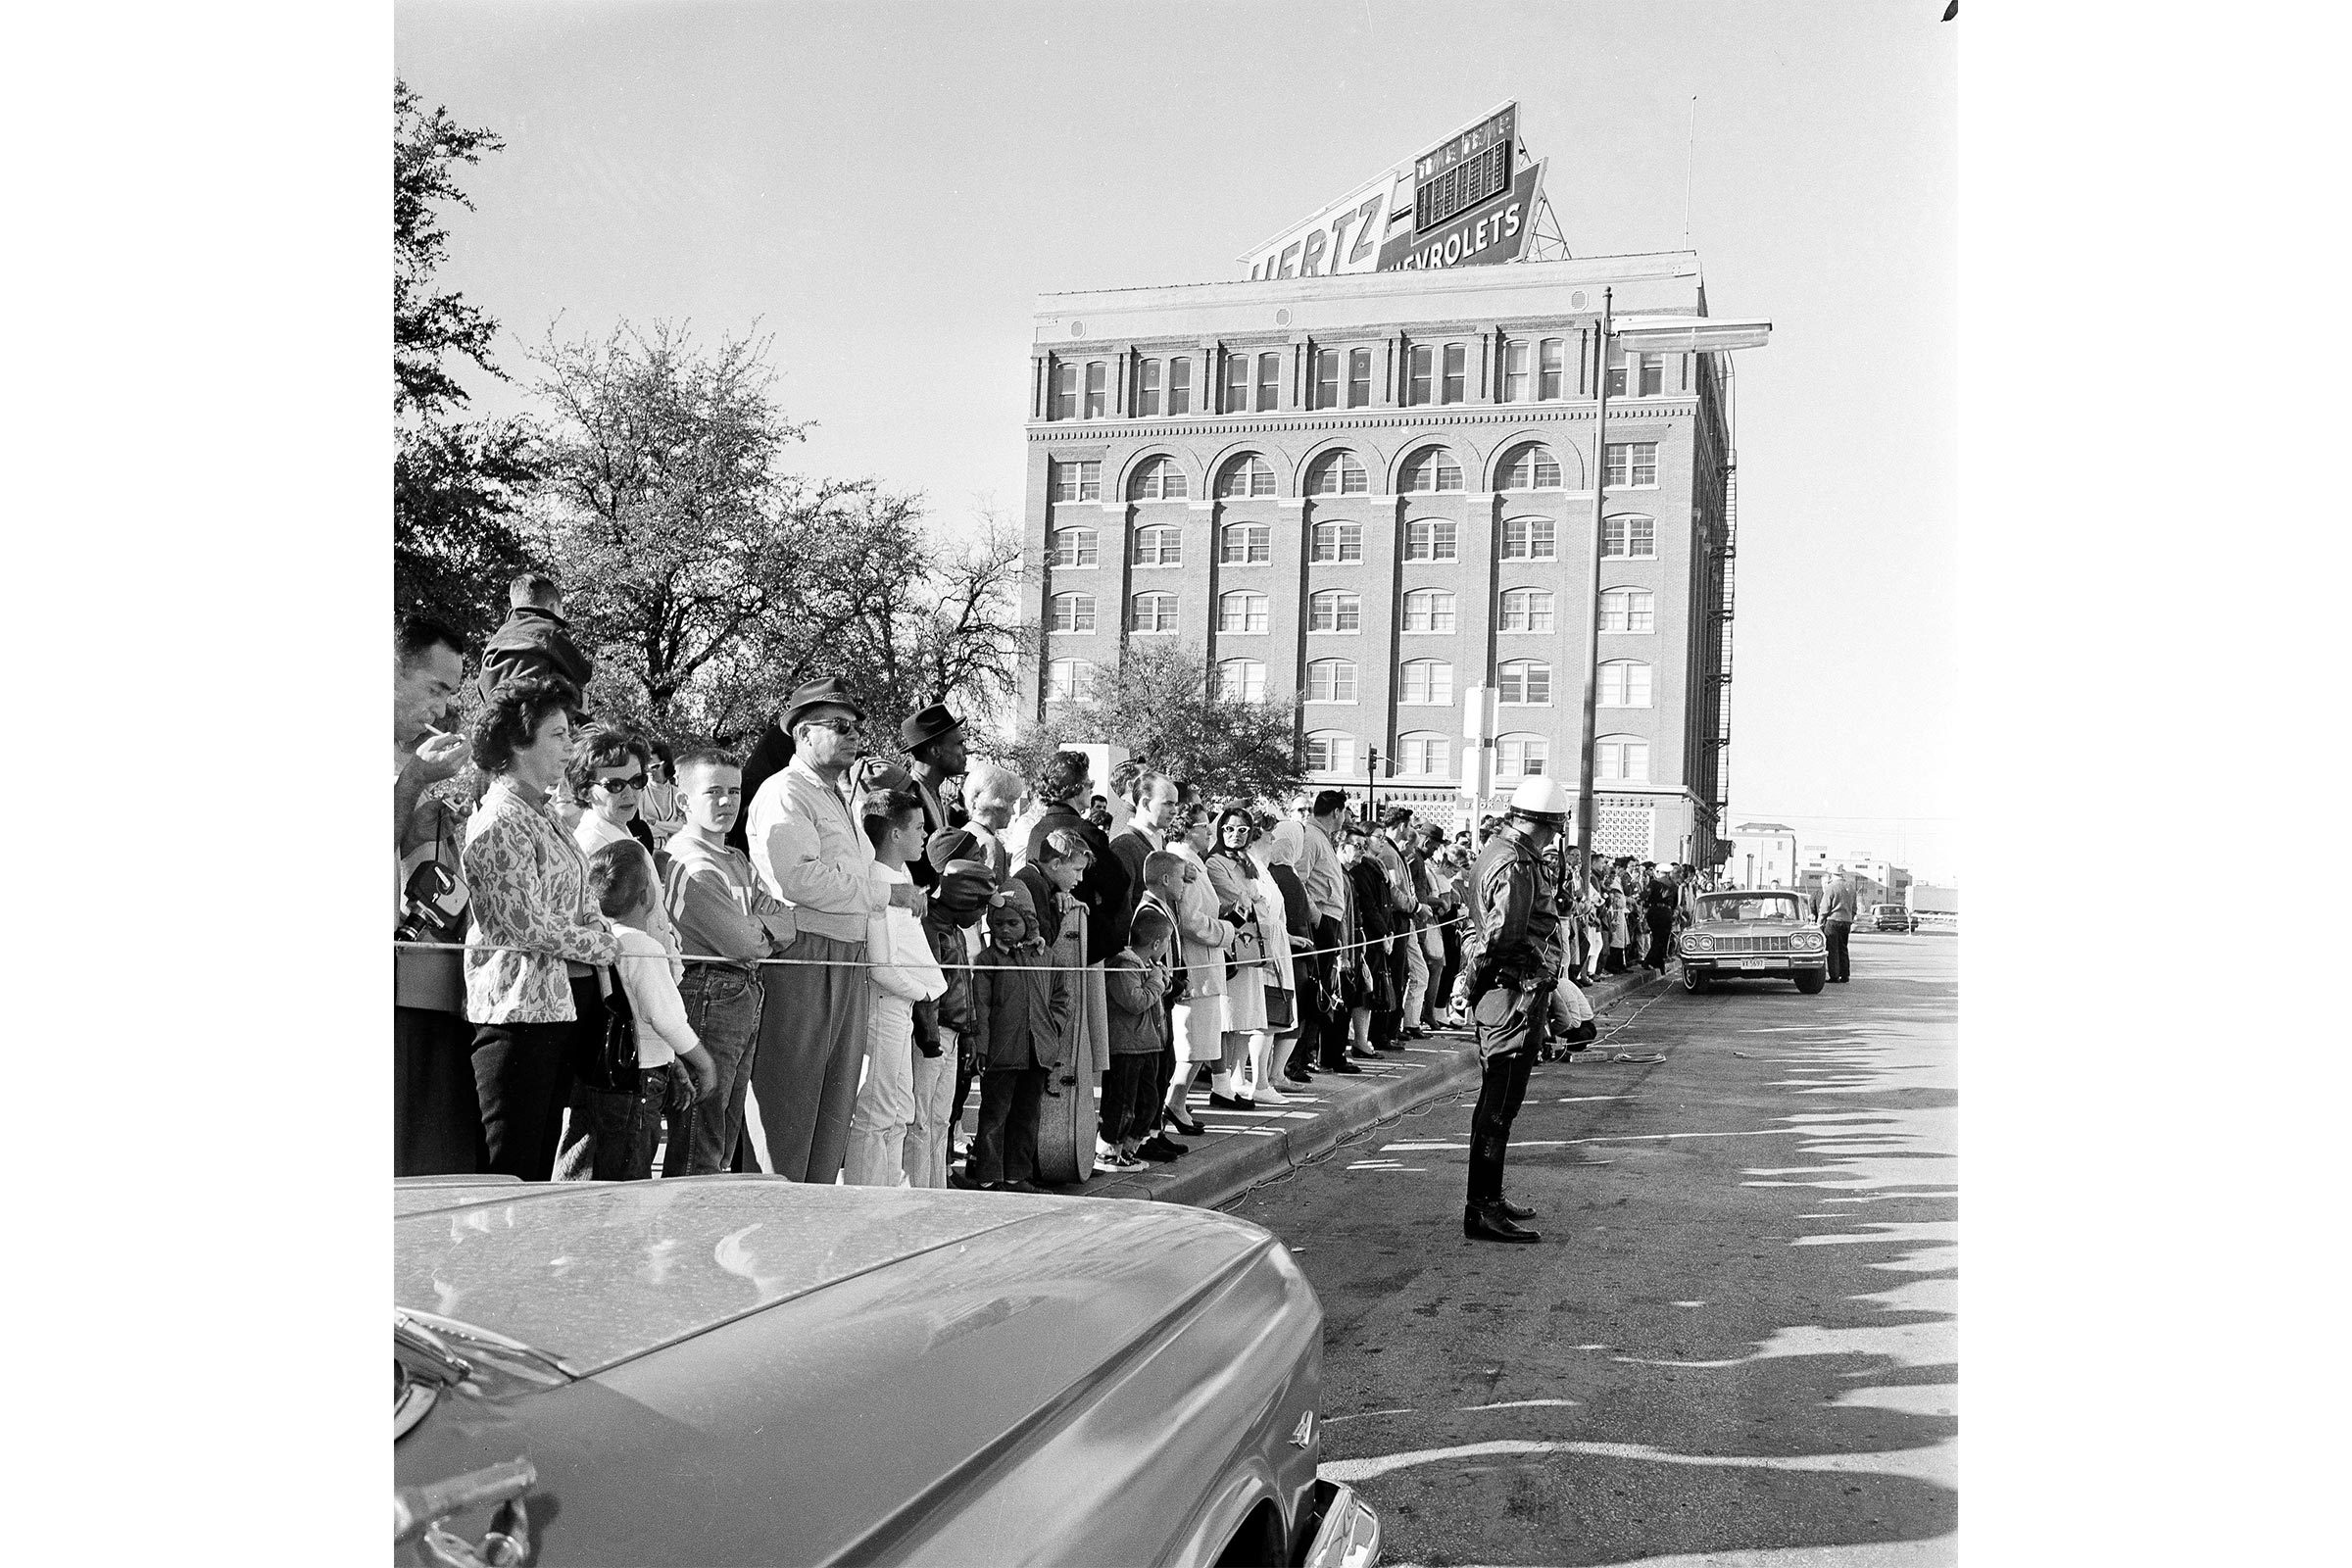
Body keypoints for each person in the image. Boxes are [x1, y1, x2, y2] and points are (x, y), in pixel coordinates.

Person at [743, 676, 914, 1183]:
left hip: (845, 953)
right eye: (839, 726)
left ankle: (811, 1220)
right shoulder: (785, 792)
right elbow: (798, 879)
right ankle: (772, 1222)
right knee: (789, 1102)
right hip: (804, 954)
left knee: (833, 1104)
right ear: (802, 735)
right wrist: (885, 894)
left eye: (856, 725)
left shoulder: (833, 795)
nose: (853, 733)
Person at [460, 674, 619, 1181]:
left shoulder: (544, 812)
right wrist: (599, 944)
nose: (569, 747)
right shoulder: (500, 819)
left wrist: (595, 934)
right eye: (557, 735)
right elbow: (521, 923)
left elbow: (578, 894)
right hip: (515, 1019)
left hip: (557, 1014)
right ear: (517, 743)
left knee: (536, 1172)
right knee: (510, 1172)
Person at [662, 748, 789, 1175]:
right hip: (708, 992)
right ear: (684, 801)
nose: (727, 801)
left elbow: (786, 919)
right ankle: (687, 1229)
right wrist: (762, 931)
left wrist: (760, 931)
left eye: (734, 791)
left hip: (742, 992)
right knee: (702, 1130)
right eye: (712, 791)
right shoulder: (688, 861)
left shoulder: (734, 859)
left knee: (725, 1129)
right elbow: (741, 941)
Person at [1460, 774, 1576, 1244]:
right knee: (1500, 1103)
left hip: (1506, 992)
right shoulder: (1517, 865)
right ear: (1548, 824)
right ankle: (1482, 1208)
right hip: (1513, 994)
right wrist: (1528, 971)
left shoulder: (1500, 852)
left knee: (1497, 1100)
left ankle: (1487, 1197)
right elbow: (1506, 938)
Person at [394, 616, 485, 1176]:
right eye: (435, 688)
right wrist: (412, 786)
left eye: (452, 692)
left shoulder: (408, 755)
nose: (444, 708)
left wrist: (431, 815)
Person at [581, 841, 720, 1181]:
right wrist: (704, 1063)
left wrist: (674, 1066)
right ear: (647, 897)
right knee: (632, 1171)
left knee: (602, 1167)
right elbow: (664, 1018)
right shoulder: (644, 947)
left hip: (606, 1076)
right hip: (639, 1082)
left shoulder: (601, 940)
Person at [846, 789, 949, 1186]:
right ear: (893, 834)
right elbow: (881, 966)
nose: (925, 835)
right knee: (877, 1107)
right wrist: (923, 991)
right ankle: (866, 1193)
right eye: (919, 827)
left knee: (901, 1109)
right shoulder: (877, 880)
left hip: (902, 1008)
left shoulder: (901, 877)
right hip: (886, 1004)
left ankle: (888, 1191)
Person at [967, 881, 1071, 1192]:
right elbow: (981, 1006)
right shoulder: (988, 960)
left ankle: (1016, 1174)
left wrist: (1053, 1027)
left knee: (1026, 1116)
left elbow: (1061, 998)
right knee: (995, 1115)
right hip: (1001, 1051)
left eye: (1013, 922)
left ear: (1029, 921)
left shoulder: (1047, 957)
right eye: (998, 923)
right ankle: (988, 1176)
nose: (1005, 929)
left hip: (1038, 1049)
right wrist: (982, 1047)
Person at [912, 832, 997, 1188]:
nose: (981, 916)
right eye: (979, 907)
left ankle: (936, 1187)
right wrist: (931, 1036)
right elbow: (929, 990)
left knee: (941, 1119)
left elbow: (965, 986)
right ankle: (919, 1188)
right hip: (933, 1036)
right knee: (921, 1119)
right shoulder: (932, 928)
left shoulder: (956, 932)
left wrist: (971, 1035)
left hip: (953, 1035)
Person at [1021, 751, 1131, 962]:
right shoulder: (1086, 831)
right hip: (1083, 944)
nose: (1091, 788)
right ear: (1076, 787)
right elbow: (1118, 883)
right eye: (1089, 783)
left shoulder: (1037, 830)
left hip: (1045, 943)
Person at [1204, 806, 1279, 1106]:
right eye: (1228, 829)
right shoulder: (1216, 862)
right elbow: (1240, 899)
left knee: (1241, 1021)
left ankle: (1235, 1079)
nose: (1234, 835)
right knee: (1227, 1018)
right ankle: (1220, 1083)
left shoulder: (1247, 860)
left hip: (1250, 944)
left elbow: (1261, 900)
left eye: (1241, 830)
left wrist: (1256, 900)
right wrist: (1255, 900)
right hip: (1232, 945)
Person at [1164, 810, 1239, 1114]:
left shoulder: (1194, 860)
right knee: (1195, 1044)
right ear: (1186, 829)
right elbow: (1190, 921)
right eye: (1203, 826)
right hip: (1197, 965)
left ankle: (1175, 1103)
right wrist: (1227, 929)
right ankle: (1175, 1103)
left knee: (1202, 1041)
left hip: (1205, 964)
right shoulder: (1184, 862)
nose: (1210, 832)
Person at [1130, 852, 1197, 1153]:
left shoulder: (1165, 906)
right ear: (1166, 879)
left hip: (1165, 994)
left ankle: (1156, 1131)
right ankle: (1145, 1137)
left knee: (1164, 1066)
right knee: (1156, 1071)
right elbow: (1152, 957)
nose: (1184, 884)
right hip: (1156, 996)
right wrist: (1170, 984)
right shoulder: (1148, 910)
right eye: (1181, 878)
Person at [1101, 905, 1176, 1172]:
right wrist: (1156, 982)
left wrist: (1163, 983)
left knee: (1149, 1102)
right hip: (1128, 1046)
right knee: (1123, 1103)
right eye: (1168, 941)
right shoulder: (1125, 964)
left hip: (1147, 1044)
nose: (1168, 946)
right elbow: (1134, 1001)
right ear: (1157, 942)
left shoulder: (1148, 965)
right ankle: (1110, 1150)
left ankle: (1130, 1147)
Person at [474, 572, 595, 708]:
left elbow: (482, 685)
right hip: (538, 717)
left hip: (498, 719)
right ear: (553, 607)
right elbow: (583, 674)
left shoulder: (495, 639)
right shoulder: (551, 631)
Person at [1262, 821, 1318, 1085]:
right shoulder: (1288, 878)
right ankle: (1277, 1073)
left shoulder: (1272, 872)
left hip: (1283, 953)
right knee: (1291, 1015)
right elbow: (1300, 920)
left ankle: (1274, 1072)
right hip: (1294, 958)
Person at [899, 703, 969, 888]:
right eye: (959, 744)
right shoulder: (907, 800)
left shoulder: (933, 792)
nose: (965, 752)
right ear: (935, 751)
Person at [636, 738, 687, 845]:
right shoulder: (641, 791)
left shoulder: (677, 792)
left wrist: (655, 823)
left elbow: (684, 827)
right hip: (649, 851)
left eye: (655, 766)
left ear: (666, 764)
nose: (650, 771)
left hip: (673, 851)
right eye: (646, 767)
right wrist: (670, 830)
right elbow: (641, 829)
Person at [1819, 867, 1857, 982]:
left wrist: (1820, 922)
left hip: (1833, 920)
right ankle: (1845, 975)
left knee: (1832, 949)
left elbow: (1825, 907)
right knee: (1843, 947)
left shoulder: (1831, 887)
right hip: (1847, 921)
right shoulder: (1850, 887)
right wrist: (1850, 917)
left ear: (1832, 874)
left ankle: (1834, 975)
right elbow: (1854, 907)